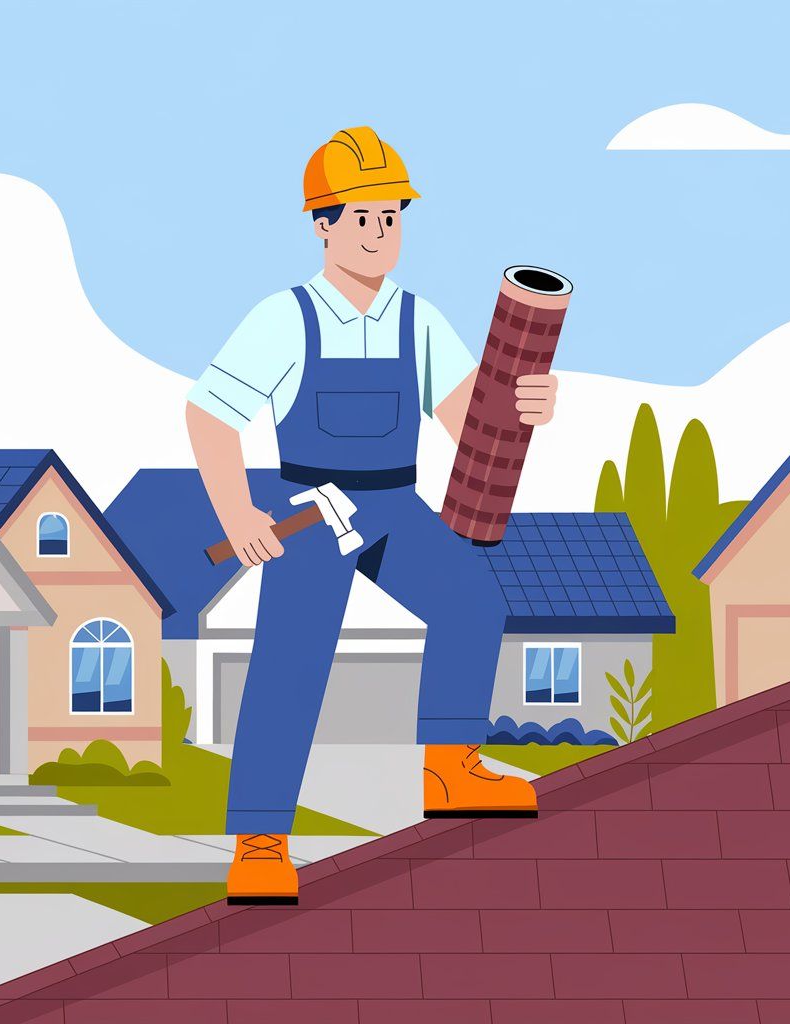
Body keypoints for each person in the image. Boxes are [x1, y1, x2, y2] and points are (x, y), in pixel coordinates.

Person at [186, 126, 560, 904]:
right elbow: (209, 415)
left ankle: (450, 767)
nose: (381, 232)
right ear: (322, 225)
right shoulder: (284, 318)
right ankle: (260, 841)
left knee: (472, 600)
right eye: (363, 216)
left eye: (392, 215)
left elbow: (467, 420)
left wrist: (526, 409)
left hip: (393, 501)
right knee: (292, 662)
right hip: (312, 509)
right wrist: (239, 510)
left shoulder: (417, 319)